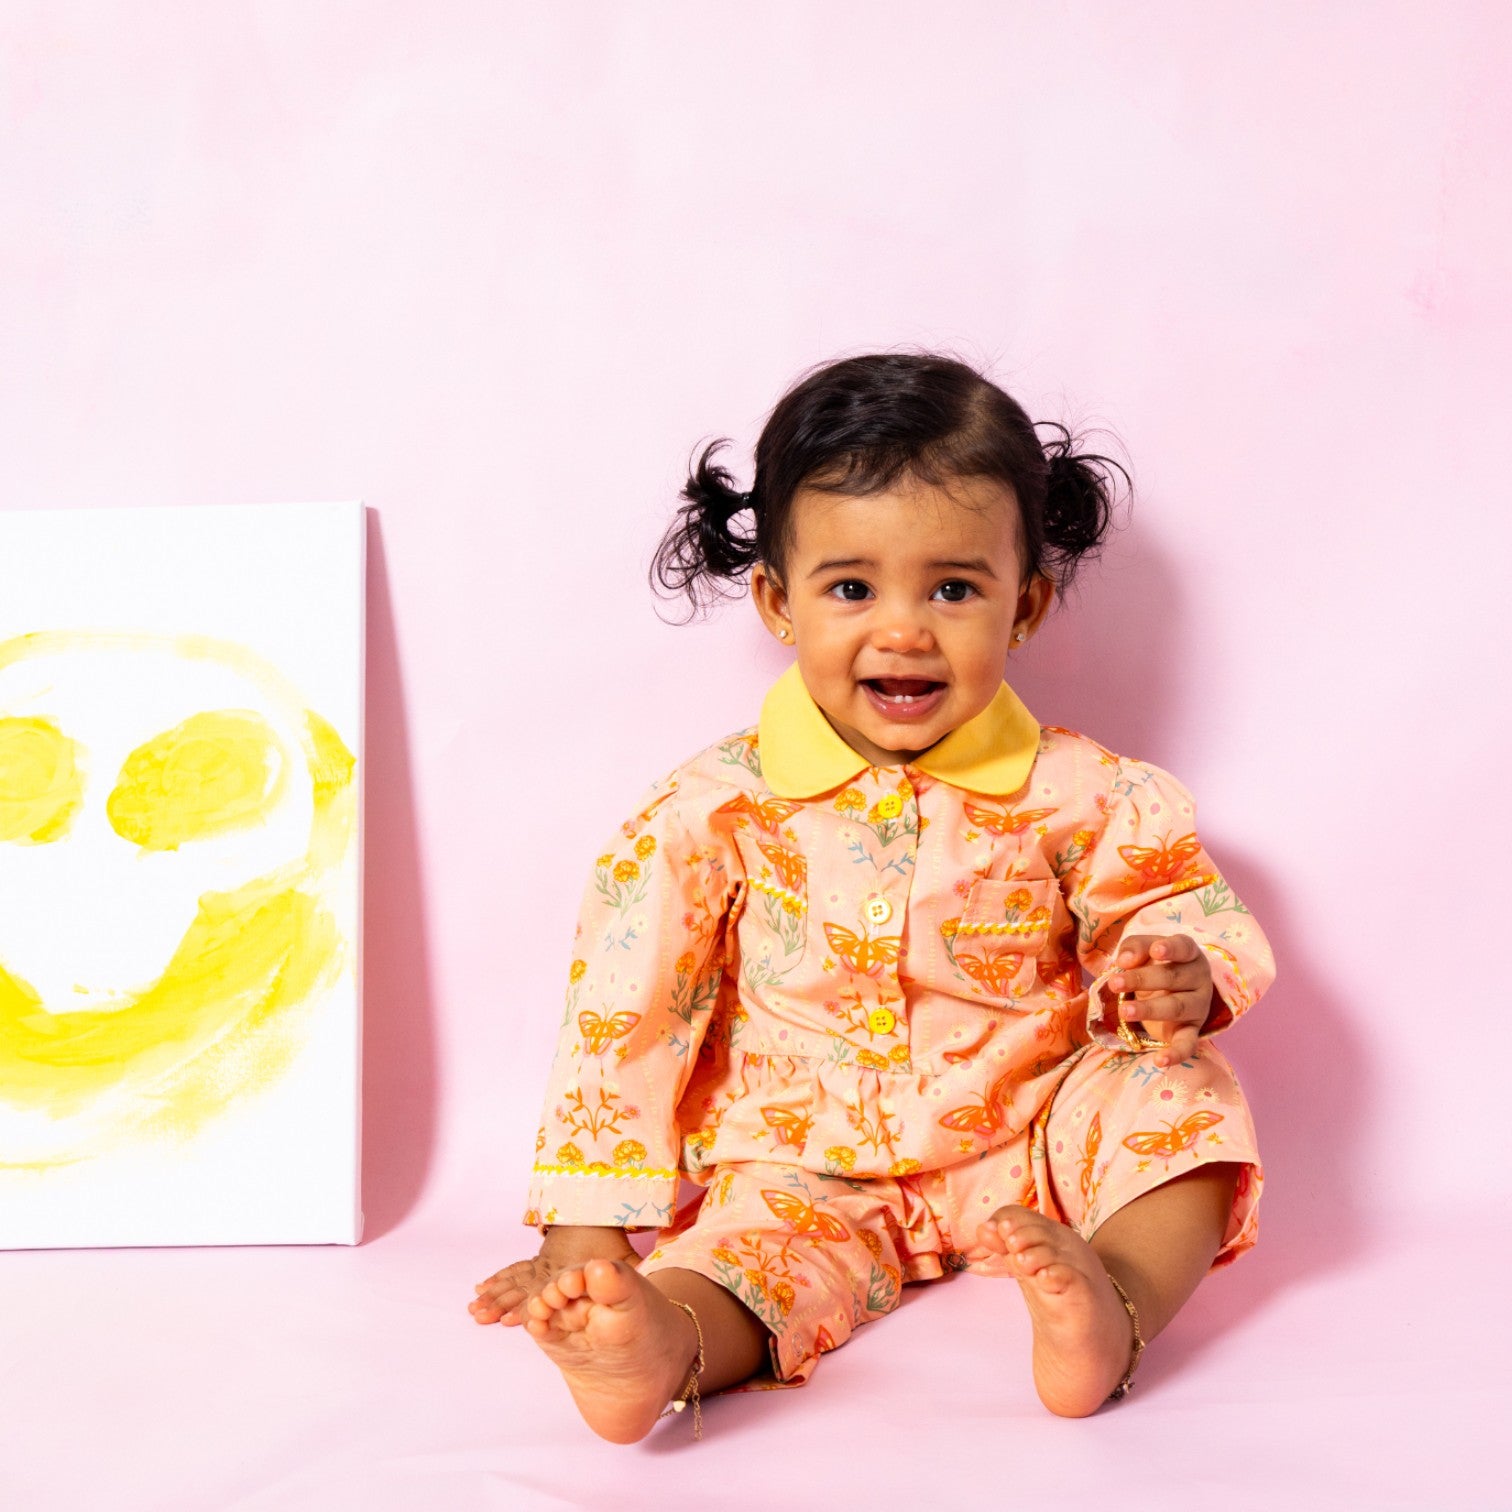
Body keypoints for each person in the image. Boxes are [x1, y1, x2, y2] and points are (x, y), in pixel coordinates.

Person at [468, 352, 1274, 1442]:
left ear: (1025, 604)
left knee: (1183, 1091)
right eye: (852, 589)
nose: (904, 630)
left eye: (954, 589)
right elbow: (631, 1005)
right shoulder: (715, 808)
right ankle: (665, 1347)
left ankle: (1114, 1305)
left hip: (1033, 1142)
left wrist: (1181, 971)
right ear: (777, 601)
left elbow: (1168, 900)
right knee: (752, 1254)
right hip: (806, 1161)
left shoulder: (1082, 791)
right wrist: (584, 1225)